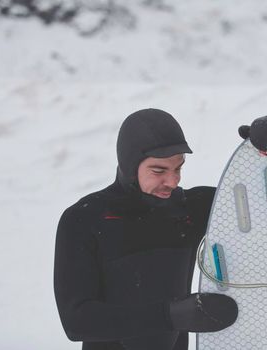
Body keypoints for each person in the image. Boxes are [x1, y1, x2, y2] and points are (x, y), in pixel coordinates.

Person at [54, 108, 238, 350]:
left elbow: (256, 204)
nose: (172, 181)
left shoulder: (190, 210)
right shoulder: (85, 219)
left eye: (178, 168)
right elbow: (77, 321)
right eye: (159, 171)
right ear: (131, 166)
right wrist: (170, 316)